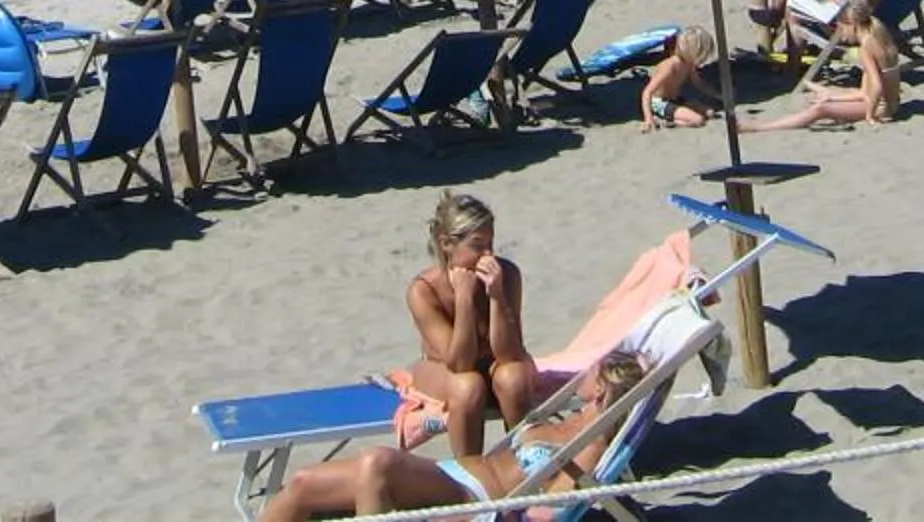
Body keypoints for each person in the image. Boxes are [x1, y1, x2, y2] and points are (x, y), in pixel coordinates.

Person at [257, 348, 649, 520]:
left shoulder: (593, 445)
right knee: (302, 482)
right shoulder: (571, 417)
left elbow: (550, 511)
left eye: (592, 372)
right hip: (452, 472)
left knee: (378, 463)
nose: (583, 374)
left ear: (601, 390)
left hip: (474, 499)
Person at [405, 192, 537, 459]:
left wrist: (497, 296)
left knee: (513, 377)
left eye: (491, 243)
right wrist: (464, 298)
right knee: (468, 386)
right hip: (444, 370)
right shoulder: (424, 291)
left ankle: (527, 464)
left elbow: (510, 354)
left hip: (494, 364)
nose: (488, 254)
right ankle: (470, 474)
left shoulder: (507, 275)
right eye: (478, 246)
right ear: (446, 244)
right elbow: (459, 363)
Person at [741, 13, 902, 132]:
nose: (841, 35)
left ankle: (761, 127)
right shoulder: (881, 37)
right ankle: (824, 92)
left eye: (841, 29)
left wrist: (870, 116)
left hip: (879, 107)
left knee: (820, 109)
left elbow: (876, 85)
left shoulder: (866, 48)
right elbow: (873, 87)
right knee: (825, 96)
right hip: (889, 102)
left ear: (852, 25)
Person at [639, 26, 718, 130]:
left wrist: (718, 95)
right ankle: (668, 122)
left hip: (676, 99)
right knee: (698, 120)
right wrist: (648, 119)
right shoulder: (670, 66)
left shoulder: (688, 63)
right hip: (659, 103)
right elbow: (647, 92)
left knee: (710, 112)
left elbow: (698, 83)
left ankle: (675, 115)